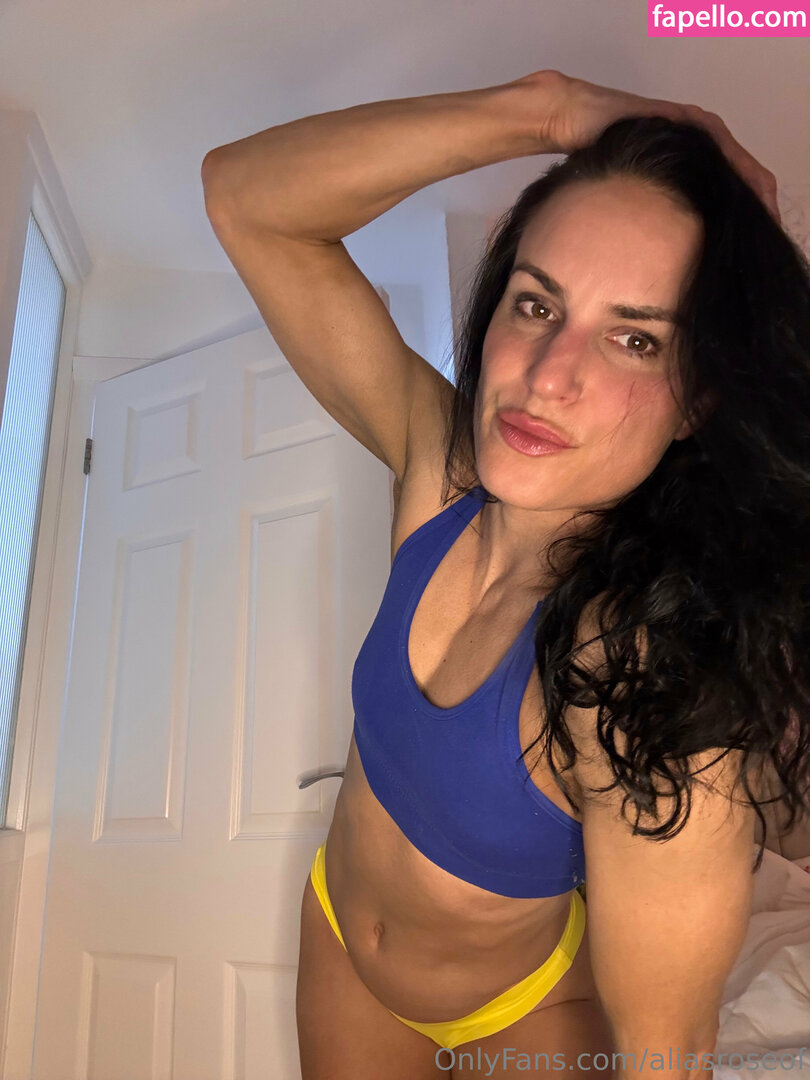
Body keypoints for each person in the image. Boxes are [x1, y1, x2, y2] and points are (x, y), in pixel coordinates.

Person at [201, 70, 809, 1079]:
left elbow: (670, 1057)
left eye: (634, 339)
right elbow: (244, 198)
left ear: (698, 399)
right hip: (340, 943)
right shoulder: (436, 475)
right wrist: (549, 108)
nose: (549, 373)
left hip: (521, 1014)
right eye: (537, 303)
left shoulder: (640, 671)